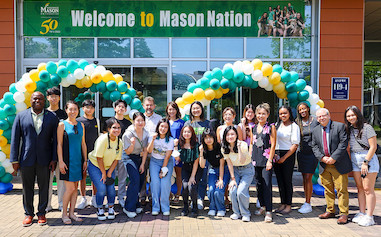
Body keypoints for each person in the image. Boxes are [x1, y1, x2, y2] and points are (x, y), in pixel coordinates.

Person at [10, 92, 59, 227]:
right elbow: (15, 139)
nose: (37, 101)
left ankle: (42, 213)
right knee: (27, 188)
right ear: (30, 100)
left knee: (44, 187)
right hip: (26, 159)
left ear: (44, 101)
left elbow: (55, 140)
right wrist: (14, 160)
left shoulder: (52, 117)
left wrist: (54, 158)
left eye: (40, 99)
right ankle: (28, 214)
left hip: (45, 159)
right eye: (35, 98)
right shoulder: (21, 116)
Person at [311, 108, 352, 225]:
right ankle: (330, 210)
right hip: (324, 164)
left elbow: (343, 143)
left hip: (338, 163)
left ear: (329, 115)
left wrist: (333, 158)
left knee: (341, 189)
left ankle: (344, 213)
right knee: (328, 189)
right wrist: (322, 158)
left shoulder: (339, 127)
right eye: (319, 117)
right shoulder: (315, 130)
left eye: (323, 116)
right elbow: (314, 147)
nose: (321, 118)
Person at [344, 106, 379, 226]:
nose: (351, 118)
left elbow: (373, 147)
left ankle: (370, 217)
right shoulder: (349, 128)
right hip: (354, 159)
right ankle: (362, 213)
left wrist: (365, 162)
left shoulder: (367, 127)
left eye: (353, 115)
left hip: (367, 159)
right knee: (360, 188)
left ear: (358, 115)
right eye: (348, 116)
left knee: (368, 189)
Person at [57, 101, 87, 224]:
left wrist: (85, 160)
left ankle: (72, 213)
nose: (73, 111)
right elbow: (59, 144)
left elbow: (83, 143)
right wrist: (61, 161)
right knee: (69, 189)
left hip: (78, 161)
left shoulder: (81, 125)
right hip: (67, 161)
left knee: (75, 188)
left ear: (78, 111)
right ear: (66, 110)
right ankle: (64, 214)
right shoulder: (61, 125)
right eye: (70, 109)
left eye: (75, 109)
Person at [88, 118, 122, 221]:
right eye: (114, 128)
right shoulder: (102, 139)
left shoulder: (119, 141)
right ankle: (99, 208)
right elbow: (99, 158)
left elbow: (116, 159)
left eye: (118, 128)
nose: (116, 130)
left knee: (111, 189)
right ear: (108, 129)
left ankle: (111, 208)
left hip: (109, 167)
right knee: (102, 189)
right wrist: (103, 173)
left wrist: (110, 172)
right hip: (96, 165)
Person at [104, 99, 131, 208]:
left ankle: (121, 197)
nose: (121, 109)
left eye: (123, 107)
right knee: (109, 175)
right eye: (119, 106)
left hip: (123, 153)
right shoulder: (109, 122)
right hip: (110, 154)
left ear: (125, 109)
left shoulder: (128, 123)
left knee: (122, 177)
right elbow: (105, 137)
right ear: (115, 108)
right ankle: (109, 200)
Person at [222, 126, 253, 222]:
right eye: (228, 135)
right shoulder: (224, 148)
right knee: (232, 190)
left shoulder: (243, 144)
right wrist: (233, 179)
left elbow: (242, 160)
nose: (230, 136)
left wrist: (238, 147)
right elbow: (229, 164)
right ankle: (236, 212)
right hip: (235, 171)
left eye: (232, 134)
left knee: (241, 191)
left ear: (236, 135)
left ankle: (245, 213)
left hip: (247, 170)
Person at [252, 103, 276, 223]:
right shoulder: (253, 128)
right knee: (258, 185)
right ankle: (262, 206)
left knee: (267, 186)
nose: (261, 116)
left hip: (266, 160)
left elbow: (273, 145)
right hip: (255, 160)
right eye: (259, 113)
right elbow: (252, 144)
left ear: (267, 114)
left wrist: (270, 160)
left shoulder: (271, 127)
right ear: (256, 114)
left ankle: (269, 211)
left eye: (263, 113)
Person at [122, 112, 149, 218]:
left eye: (142, 120)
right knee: (135, 179)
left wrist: (142, 164)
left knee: (141, 180)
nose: (140, 123)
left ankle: (135, 203)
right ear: (133, 122)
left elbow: (145, 150)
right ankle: (128, 207)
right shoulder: (128, 134)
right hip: (129, 157)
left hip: (140, 157)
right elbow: (128, 152)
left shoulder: (146, 133)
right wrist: (132, 144)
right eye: (138, 120)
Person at [274, 106, 300, 214]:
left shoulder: (294, 126)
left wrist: (284, 158)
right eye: (280, 114)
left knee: (287, 181)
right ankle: (282, 203)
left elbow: (295, 145)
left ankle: (288, 205)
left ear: (289, 113)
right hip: (277, 154)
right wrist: (275, 155)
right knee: (280, 181)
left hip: (288, 155)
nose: (283, 115)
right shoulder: (277, 125)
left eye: (285, 113)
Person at [185, 101, 210, 210]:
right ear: (191, 110)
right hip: (191, 155)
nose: (196, 110)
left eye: (198, 108)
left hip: (204, 154)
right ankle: (193, 198)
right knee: (192, 177)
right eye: (193, 108)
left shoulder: (207, 123)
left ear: (202, 109)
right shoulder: (188, 123)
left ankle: (200, 198)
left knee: (203, 177)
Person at [295, 102, 319, 214]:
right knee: (304, 177)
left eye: (304, 109)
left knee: (309, 176)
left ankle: (308, 203)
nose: (302, 111)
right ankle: (306, 201)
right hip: (301, 153)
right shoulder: (297, 122)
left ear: (308, 109)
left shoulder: (315, 121)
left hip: (312, 153)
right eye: (300, 110)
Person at [199, 128, 230, 217]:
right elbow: (202, 165)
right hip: (212, 170)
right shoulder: (204, 149)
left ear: (214, 137)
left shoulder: (219, 147)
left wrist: (220, 179)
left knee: (219, 190)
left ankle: (221, 208)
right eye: (206, 138)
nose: (208, 140)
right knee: (211, 189)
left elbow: (222, 164)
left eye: (210, 137)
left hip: (224, 170)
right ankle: (212, 207)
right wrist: (201, 152)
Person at [173, 125, 202, 218]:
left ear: (192, 133)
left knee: (192, 187)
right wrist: (175, 147)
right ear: (182, 133)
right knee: (185, 186)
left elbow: (196, 162)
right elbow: (177, 159)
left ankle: (195, 207)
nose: (186, 134)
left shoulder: (196, 145)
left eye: (188, 132)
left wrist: (193, 176)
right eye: (185, 132)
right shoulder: (180, 144)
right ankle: (185, 206)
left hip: (195, 168)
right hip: (185, 167)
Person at [147, 119, 174, 216]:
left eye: (166, 127)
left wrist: (163, 170)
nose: (163, 129)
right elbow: (149, 151)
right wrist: (153, 140)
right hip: (154, 161)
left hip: (167, 162)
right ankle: (155, 207)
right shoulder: (152, 137)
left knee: (165, 183)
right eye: (161, 126)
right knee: (155, 183)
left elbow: (167, 157)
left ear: (168, 129)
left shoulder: (170, 140)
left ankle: (165, 207)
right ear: (158, 127)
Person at [46, 87, 67, 212]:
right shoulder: (44, 113)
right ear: (48, 98)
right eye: (51, 96)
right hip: (47, 151)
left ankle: (61, 203)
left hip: (61, 150)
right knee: (47, 179)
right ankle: (47, 205)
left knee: (61, 179)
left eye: (56, 96)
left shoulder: (63, 114)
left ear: (59, 98)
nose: (53, 98)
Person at [76, 100, 100, 209]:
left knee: (95, 177)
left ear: (94, 109)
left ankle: (94, 197)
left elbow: (99, 137)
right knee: (83, 176)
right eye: (87, 107)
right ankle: (83, 198)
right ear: (82, 108)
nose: (89, 109)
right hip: (81, 153)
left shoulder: (97, 121)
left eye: (91, 107)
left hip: (94, 154)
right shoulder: (78, 121)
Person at [141, 96, 163, 205]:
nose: (149, 107)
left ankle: (152, 196)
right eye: (147, 105)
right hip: (142, 151)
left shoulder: (159, 118)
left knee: (153, 175)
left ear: (154, 106)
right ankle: (142, 195)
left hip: (155, 152)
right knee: (142, 174)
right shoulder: (139, 118)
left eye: (151, 105)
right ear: (143, 106)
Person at [166, 101, 185, 203]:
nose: (171, 111)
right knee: (167, 173)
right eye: (169, 109)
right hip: (166, 151)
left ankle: (178, 194)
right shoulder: (165, 122)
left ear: (176, 110)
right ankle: (168, 193)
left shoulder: (182, 122)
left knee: (178, 173)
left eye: (173, 109)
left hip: (178, 151)